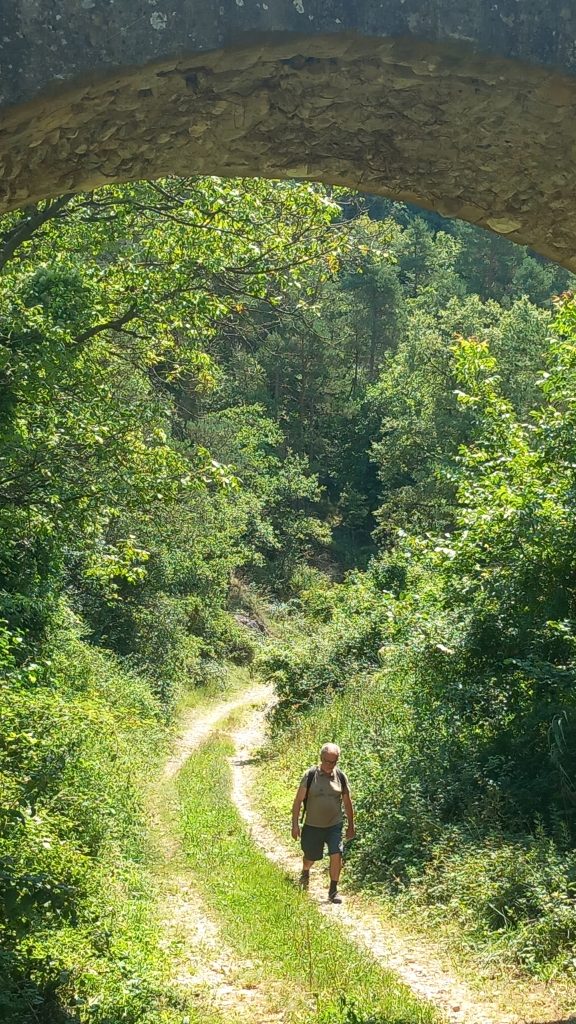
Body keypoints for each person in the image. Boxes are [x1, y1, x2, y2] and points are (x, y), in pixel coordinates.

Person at [291, 742, 355, 903]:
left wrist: (351, 825)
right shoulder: (310, 775)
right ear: (321, 758)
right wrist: (295, 824)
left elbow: (347, 803)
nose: (329, 765)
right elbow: (298, 801)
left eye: (333, 762)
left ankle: (333, 890)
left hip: (334, 825)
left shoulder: (340, 777)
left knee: (336, 854)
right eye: (326, 761)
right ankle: (306, 870)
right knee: (311, 857)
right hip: (313, 826)